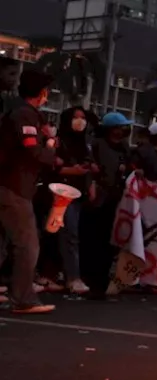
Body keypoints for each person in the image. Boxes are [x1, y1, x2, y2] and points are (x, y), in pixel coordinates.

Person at [0, 69, 58, 314]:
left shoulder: (27, 114)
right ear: (41, 92)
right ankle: (23, 299)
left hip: (10, 185)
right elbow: (32, 151)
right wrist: (51, 149)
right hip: (14, 188)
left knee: (2, 242)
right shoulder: (24, 114)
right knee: (27, 245)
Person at [83, 112, 133, 299]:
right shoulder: (96, 145)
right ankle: (90, 278)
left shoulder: (124, 149)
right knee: (93, 239)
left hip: (116, 198)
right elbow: (89, 167)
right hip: (98, 197)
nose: (122, 131)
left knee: (108, 241)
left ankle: (102, 279)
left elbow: (129, 169)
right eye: (119, 127)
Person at [50, 106, 96, 296]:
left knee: (67, 235)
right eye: (75, 117)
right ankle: (72, 277)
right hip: (61, 194)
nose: (80, 121)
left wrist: (90, 184)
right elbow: (52, 167)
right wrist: (73, 171)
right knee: (68, 235)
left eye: (83, 117)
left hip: (79, 194)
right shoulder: (59, 142)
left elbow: (88, 166)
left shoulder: (85, 143)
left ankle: (58, 274)